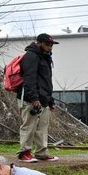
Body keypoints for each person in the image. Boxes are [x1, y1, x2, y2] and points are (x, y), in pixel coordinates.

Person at [18, 33, 59, 163]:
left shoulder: (45, 57)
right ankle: (24, 153)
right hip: (30, 99)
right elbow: (29, 79)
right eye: (47, 44)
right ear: (39, 43)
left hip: (43, 99)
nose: (50, 47)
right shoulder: (31, 56)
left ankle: (41, 153)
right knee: (29, 126)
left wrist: (50, 100)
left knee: (42, 127)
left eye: (52, 45)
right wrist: (34, 98)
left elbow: (46, 81)